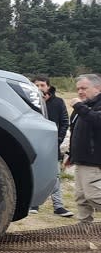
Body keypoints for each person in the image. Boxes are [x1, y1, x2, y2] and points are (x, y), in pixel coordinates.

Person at [30, 76, 74, 216]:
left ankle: (58, 206)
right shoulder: (29, 103)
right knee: (33, 173)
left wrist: (58, 139)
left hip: (52, 144)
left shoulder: (59, 102)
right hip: (33, 144)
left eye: (42, 85)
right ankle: (34, 204)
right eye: (36, 85)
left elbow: (64, 122)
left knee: (55, 175)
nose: (39, 88)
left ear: (48, 87)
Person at [66, 74, 101, 223]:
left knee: (93, 195)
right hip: (80, 159)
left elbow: (98, 121)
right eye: (78, 89)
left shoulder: (86, 106)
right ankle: (83, 232)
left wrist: (79, 106)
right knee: (81, 199)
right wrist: (70, 154)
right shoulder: (80, 107)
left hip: (93, 159)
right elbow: (75, 132)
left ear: (98, 88)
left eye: (84, 88)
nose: (80, 91)